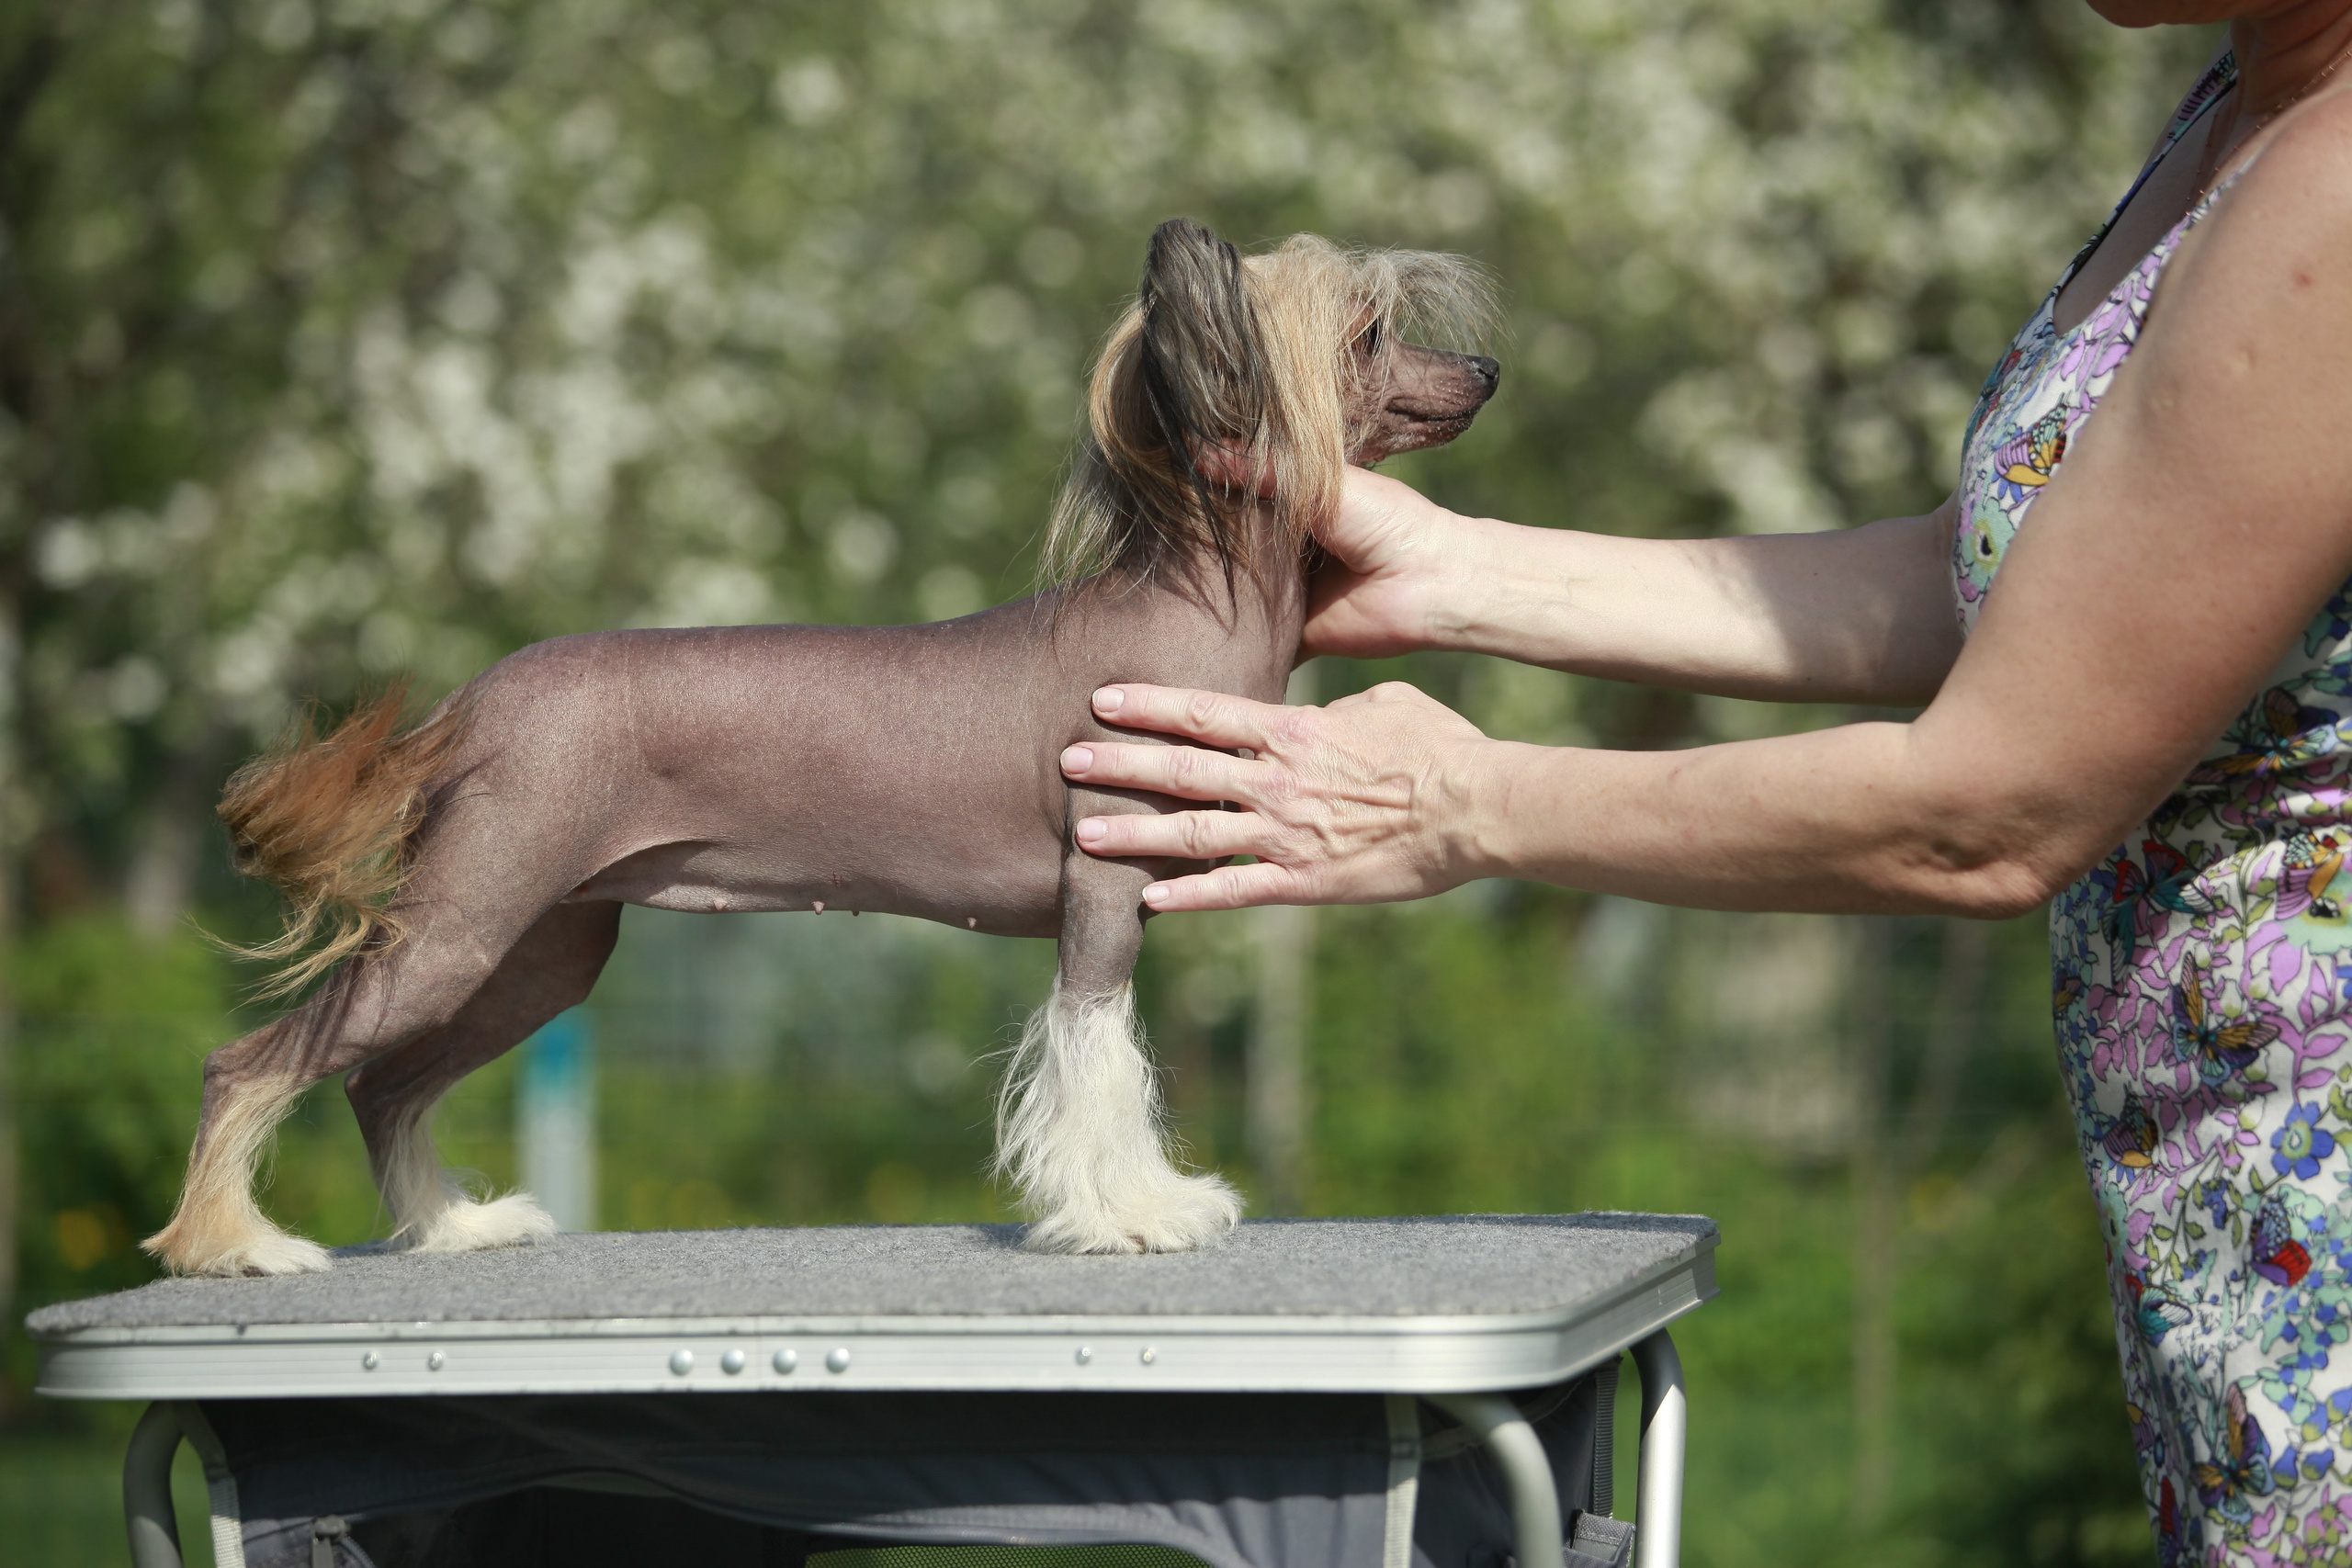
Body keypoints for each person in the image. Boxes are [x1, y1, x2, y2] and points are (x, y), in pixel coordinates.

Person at [1057, 4, 2352, 1560]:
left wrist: (1458, 805)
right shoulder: (2249, 99)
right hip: (2239, 1214)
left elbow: (2000, 801)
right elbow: (2034, 592)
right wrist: (1468, 573)